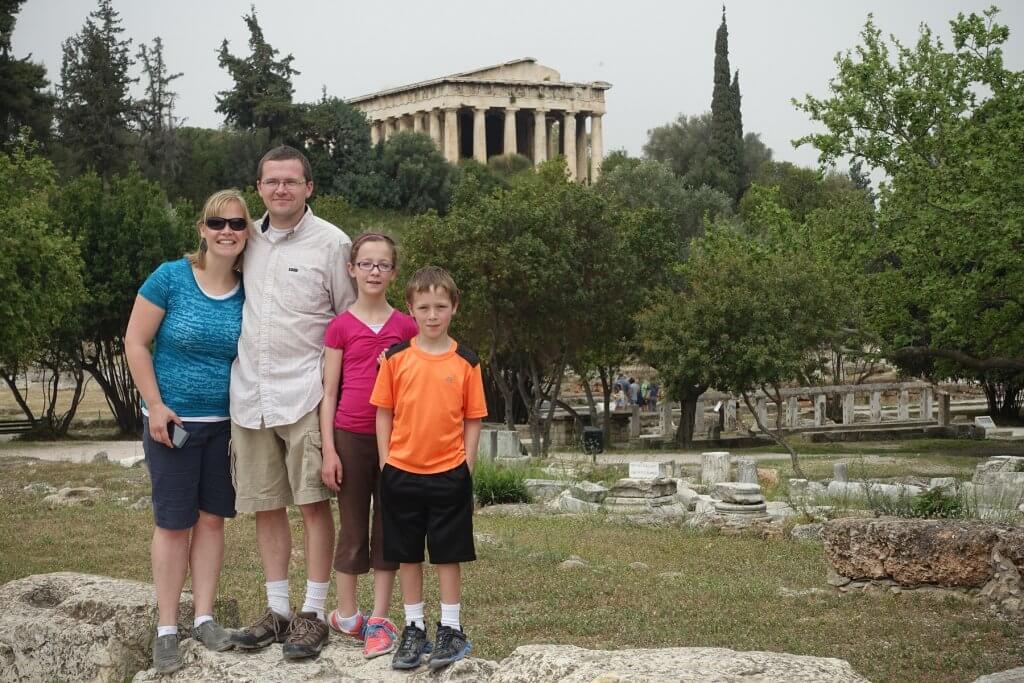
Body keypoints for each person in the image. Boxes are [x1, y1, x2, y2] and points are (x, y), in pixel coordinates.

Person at [229, 146, 356, 660]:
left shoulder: (333, 243)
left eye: (291, 181)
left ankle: (313, 611)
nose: (281, 189)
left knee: (311, 504)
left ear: (309, 187)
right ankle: (277, 610)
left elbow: (347, 321)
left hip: (307, 393)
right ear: (258, 187)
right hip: (251, 394)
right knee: (266, 505)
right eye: (271, 181)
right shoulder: (246, 239)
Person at [124, 189, 250, 674]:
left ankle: (204, 617)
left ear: (246, 235)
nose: (226, 232)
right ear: (202, 228)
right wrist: (155, 405)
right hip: (171, 424)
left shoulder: (248, 288)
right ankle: (167, 630)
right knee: (174, 525)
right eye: (217, 223)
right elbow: (136, 342)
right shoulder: (171, 278)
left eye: (237, 225)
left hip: (225, 427)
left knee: (213, 521)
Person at [371, 266, 487, 671]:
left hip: (449, 472)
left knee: (447, 552)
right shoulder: (397, 359)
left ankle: (451, 629)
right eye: (424, 307)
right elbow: (383, 412)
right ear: (411, 309)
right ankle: (414, 627)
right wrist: (386, 461)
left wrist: (467, 464)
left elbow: (473, 417)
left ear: (454, 307)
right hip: (401, 472)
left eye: (441, 306)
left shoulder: (468, 362)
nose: (433, 315)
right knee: (406, 553)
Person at [319, 233, 418, 659]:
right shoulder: (340, 326)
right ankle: (347, 614)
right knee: (353, 527)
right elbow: (329, 391)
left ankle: (379, 618)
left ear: (393, 273)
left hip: (397, 440)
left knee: (388, 529)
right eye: (366, 264)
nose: (374, 271)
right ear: (351, 269)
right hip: (350, 435)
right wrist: (329, 449)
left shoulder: (407, 327)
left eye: (382, 265)